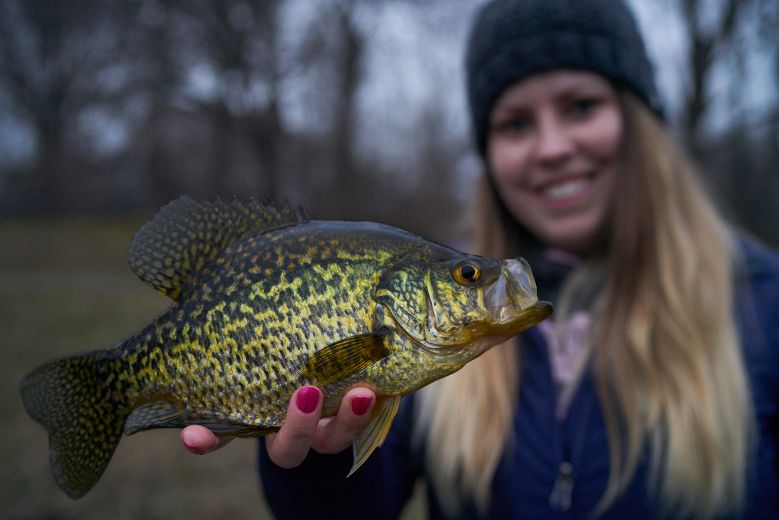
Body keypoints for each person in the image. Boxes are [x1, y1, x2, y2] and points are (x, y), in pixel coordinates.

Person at [181, 0, 779, 517]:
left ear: (640, 118)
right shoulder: (441, 331)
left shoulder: (765, 301)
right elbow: (360, 504)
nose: (551, 148)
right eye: (515, 123)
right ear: (488, 154)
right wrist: (311, 459)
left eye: (580, 106)